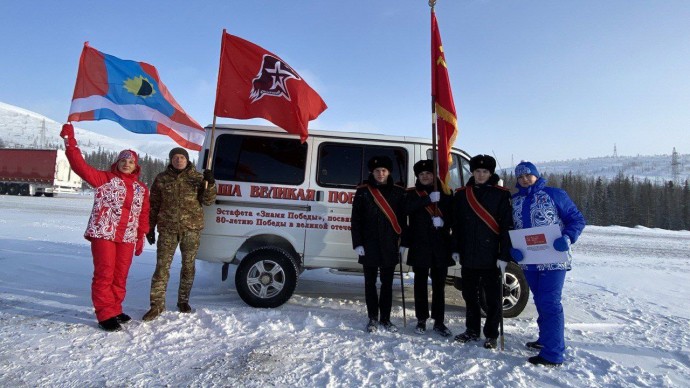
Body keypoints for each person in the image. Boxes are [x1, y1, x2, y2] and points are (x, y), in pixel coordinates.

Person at [60, 123, 150, 332]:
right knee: (105, 273)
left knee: (120, 275)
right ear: (117, 163)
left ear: (135, 165)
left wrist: (140, 236)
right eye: (123, 161)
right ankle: (104, 313)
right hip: (104, 233)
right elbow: (79, 166)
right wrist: (70, 142)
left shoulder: (141, 188)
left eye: (130, 161)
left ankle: (115, 308)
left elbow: (143, 214)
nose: (126, 164)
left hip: (127, 236)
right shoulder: (104, 179)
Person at [510, 161, 585, 366]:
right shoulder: (515, 201)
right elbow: (513, 227)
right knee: (540, 300)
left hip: (554, 260)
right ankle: (545, 340)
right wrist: (513, 247)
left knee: (550, 303)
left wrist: (568, 237)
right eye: (520, 176)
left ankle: (553, 354)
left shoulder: (554, 194)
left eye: (528, 175)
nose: (525, 179)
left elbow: (577, 219)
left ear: (536, 175)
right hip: (530, 261)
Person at [142, 147, 217, 321]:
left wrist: (210, 183)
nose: (178, 160)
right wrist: (150, 228)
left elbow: (208, 201)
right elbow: (153, 205)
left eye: (181, 157)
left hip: (191, 229)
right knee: (161, 268)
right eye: (175, 157)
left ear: (187, 159)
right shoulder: (162, 179)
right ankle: (156, 305)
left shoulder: (197, 178)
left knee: (188, 267)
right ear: (170, 160)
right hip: (167, 230)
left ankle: (183, 301)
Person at [451, 154, 513, 349]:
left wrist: (504, 256)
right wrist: (455, 248)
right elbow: (457, 224)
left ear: (491, 173)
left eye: (484, 171)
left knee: (493, 298)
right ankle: (471, 330)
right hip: (469, 253)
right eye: (477, 171)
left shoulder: (501, 194)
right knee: (470, 296)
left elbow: (506, 227)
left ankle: (492, 334)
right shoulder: (462, 194)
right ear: (473, 172)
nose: (480, 175)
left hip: (491, 255)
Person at [351, 155, 406, 333]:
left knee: (387, 284)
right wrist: (357, 243)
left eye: (383, 170)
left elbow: (403, 220)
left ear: (389, 172)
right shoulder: (363, 191)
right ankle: (373, 318)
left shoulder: (398, 192)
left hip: (390, 244)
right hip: (369, 245)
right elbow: (356, 220)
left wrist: (403, 242)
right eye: (377, 171)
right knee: (370, 283)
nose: (380, 173)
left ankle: (386, 319)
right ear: (371, 172)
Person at [400, 159, 454, 337]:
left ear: (434, 175)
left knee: (439, 286)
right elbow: (405, 211)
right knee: (420, 285)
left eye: (428, 174)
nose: (425, 176)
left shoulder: (446, 192)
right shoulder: (411, 193)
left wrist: (444, 221)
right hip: (420, 245)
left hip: (440, 245)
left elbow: (456, 218)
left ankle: (439, 321)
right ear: (418, 176)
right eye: (422, 174)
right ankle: (421, 319)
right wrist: (426, 200)